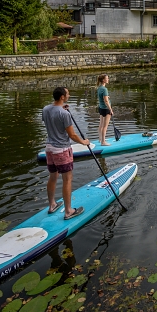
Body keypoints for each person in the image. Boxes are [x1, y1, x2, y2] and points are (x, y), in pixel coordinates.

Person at [42, 87, 89, 219]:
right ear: (62, 97)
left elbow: (52, 118)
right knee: (67, 179)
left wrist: (61, 109)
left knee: (53, 177)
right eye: (67, 93)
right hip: (62, 149)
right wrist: (83, 142)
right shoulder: (65, 114)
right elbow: (72, 135)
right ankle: (68, 211)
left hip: (49, 148)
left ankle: (52, 205)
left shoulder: (46, 109)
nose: (69, 95)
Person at [96, 74, 114, 146]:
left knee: (101, 125)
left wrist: (107, 96)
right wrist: (111, 110)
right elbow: (106, 101)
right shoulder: (105, 89)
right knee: (105, 126)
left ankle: (100, 139)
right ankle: (103, 142)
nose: (108, 79)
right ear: (103, 80)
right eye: (107, 78)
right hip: (106, 109)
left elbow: (102, 97)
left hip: (101, 108)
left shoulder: (99, 88)